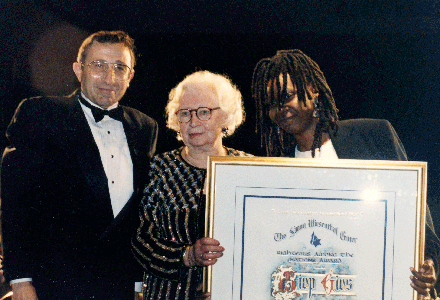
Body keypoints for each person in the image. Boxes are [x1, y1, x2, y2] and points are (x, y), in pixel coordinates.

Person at [251, 49, 439, 299]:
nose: (280, 109)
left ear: (313, 89)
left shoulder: (373, 135)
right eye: (271, 103)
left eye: (287, 96)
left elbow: (414, 208)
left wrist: (428, 259)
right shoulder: (274, 170)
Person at [1, 30, 158, 299]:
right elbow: (16, 204)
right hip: (52, 286)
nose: (109, 78)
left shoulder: (145, 127)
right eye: (98, 66)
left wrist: (137, 285)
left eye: (119, 67)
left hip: (117, 288)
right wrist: (20, 280)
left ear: (130, 76)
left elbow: (138, 217)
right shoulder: (40, 114)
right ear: (78, 70)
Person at [131, 70, 251, 299]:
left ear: (225, 116)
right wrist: (186, 256)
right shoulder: (158, 168)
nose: (193, 122)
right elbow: (140, 238)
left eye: (204, 112)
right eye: (185, 114)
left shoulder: (249, 169)